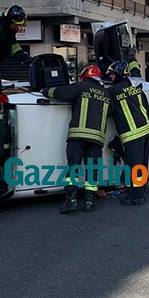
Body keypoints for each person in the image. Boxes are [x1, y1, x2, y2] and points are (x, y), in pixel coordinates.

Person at [42, 65, 112, 214]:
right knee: (93, 170)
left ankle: (71, 200)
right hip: (96, 139)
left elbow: (60, 93)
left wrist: (45, 90)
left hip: (77, 136)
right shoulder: (106, 94)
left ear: (84, 76)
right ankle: (89, 202)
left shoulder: (80, 87)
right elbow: (110, 111)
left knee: (73, 167)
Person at [106, 61, 149, 206]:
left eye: (113, 74)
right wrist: (131, 60)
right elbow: (136, 70)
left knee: (134, 166)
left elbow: (108, 111)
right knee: (141, 164)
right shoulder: (136, 85)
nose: (111, 77)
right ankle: (142, 190)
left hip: (132, 134)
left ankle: (136, 196)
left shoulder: (113, 92)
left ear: (119, 73)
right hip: (145, 129)